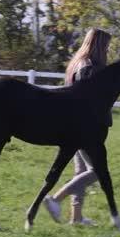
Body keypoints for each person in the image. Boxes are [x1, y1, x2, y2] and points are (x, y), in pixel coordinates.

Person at [45, 28, 112, 226]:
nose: (108, 50)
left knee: (81, 170)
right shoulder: (89, 67)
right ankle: (55, 199)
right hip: (85, 127)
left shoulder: (77, 63)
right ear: (99, 45)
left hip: (72, 124)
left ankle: (76, 217)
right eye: (106, 46)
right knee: (97, 170)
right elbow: (88, 98)